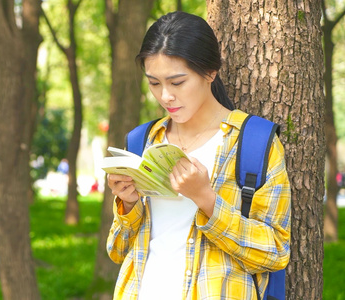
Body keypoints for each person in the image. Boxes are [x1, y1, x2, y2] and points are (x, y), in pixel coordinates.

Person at [106, 11, 291, 299]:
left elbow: (276, 252)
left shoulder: (254, 142)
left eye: (177, 82)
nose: (165, 95)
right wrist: (128, 205)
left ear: (210, 72)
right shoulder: (143, 141)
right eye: (154, 83)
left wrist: (206, 199)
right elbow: (118, 252)